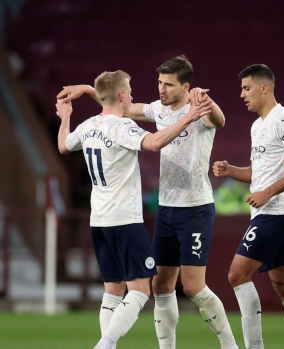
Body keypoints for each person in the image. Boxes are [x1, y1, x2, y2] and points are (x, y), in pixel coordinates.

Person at [56, 55, 238, 349]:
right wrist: (90, 90)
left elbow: (220, 120)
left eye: (168, 84)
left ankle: (229, 344)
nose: (161, 89)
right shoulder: (158, 110)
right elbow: (119, 105)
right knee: (160, 285)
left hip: (195, 208)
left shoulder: (200, 111)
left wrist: (206, 102)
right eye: (159, 82)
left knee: (192, 286)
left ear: (186, 86)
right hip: (166, 208)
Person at [212, 64, 284, 349]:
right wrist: (231, 170)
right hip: (268, 210)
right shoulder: (258, 126)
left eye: (246, 88)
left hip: (276, 212)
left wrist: (268, 192)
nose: (242, 95)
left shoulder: (283, 119)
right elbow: (259, 173)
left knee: (237, 274)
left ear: (264, 87)